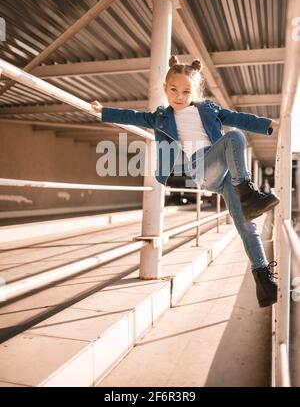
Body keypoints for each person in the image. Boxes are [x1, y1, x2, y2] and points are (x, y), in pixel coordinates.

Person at [91, 55, 280, 308]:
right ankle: (248, 193)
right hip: (202, 169)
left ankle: (264, 283)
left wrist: (270, 124)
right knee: (234, 138)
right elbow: (132, 116)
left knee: (246, 225)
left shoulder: (209, 109)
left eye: (186, 91)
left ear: (195, 91)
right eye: (173, 90)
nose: (179, 96)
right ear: (165, 89)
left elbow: (238, 118)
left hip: (223, 173)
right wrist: (102, 111)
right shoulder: (161, 118)